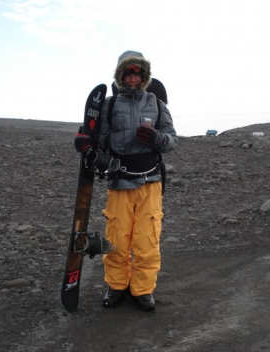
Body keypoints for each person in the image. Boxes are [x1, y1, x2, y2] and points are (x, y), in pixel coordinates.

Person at [74, 50, 177, 311]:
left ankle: (142, 289)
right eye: (128, 73)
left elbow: (171, 141)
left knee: (147, 242)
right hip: (119, 182)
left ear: (144, 76)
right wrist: (86, 147)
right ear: (121, 75)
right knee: (117, 240)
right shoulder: (108, 106)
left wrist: (156, 138)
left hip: (150, 181)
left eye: (138, 73)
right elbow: (99, 146)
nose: (133, 78)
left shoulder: (156, 103)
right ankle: (117, 286)